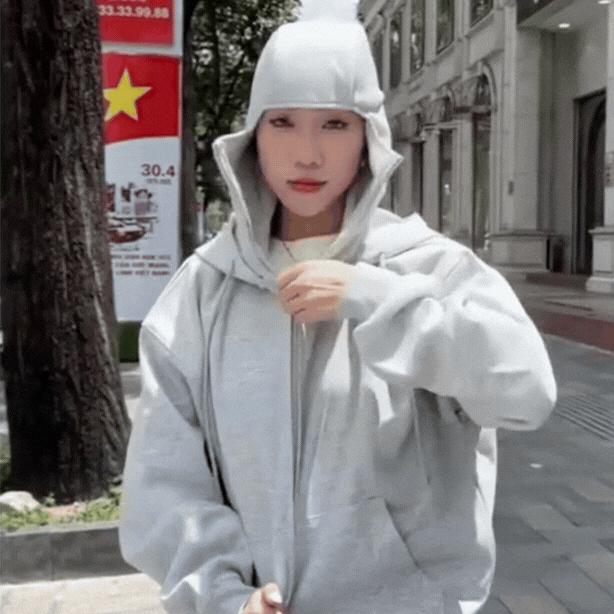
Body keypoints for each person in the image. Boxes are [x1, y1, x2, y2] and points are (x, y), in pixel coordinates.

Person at [119, 14, 557, 614]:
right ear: (252, 137)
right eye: (282, 122)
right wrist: (222, 596)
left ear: (367, 139)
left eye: (334, 124)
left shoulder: (431, 268)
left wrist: (379, 300)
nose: (307, 153)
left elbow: (527, 392)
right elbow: (163, 474)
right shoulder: (204, 290)